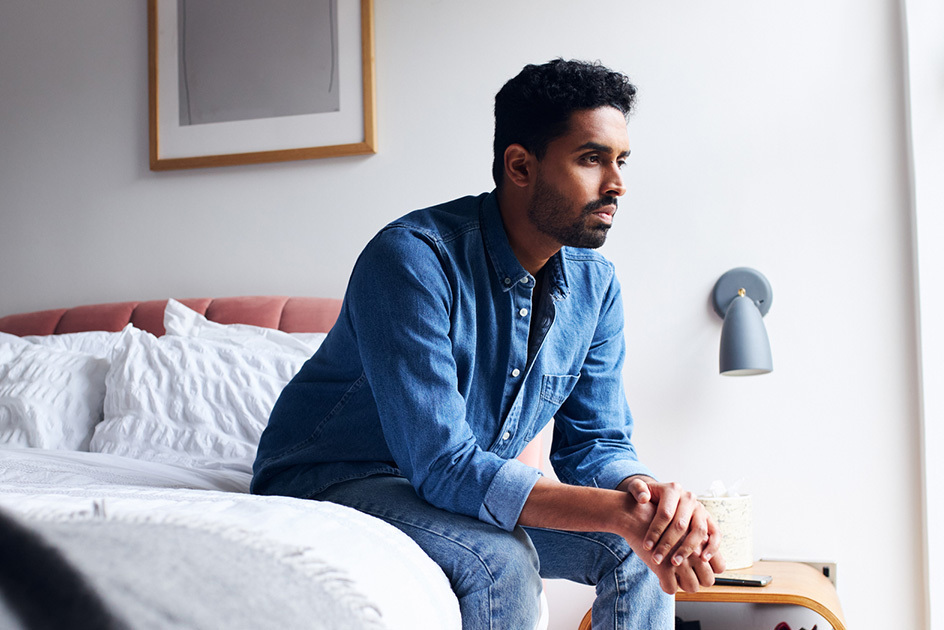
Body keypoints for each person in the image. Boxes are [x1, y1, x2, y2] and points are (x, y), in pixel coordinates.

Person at [252, 58, 725, 630]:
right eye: (591, 159)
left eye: (620, 161)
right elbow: (443, 464)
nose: (617, 183)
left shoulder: (596, 287)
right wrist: (620, 514)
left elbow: (595, 443)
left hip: (447, 485)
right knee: (502, 558)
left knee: (638, 552)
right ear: (520, 165)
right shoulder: (412, 260)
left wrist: (645, 501)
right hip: (334, 478)